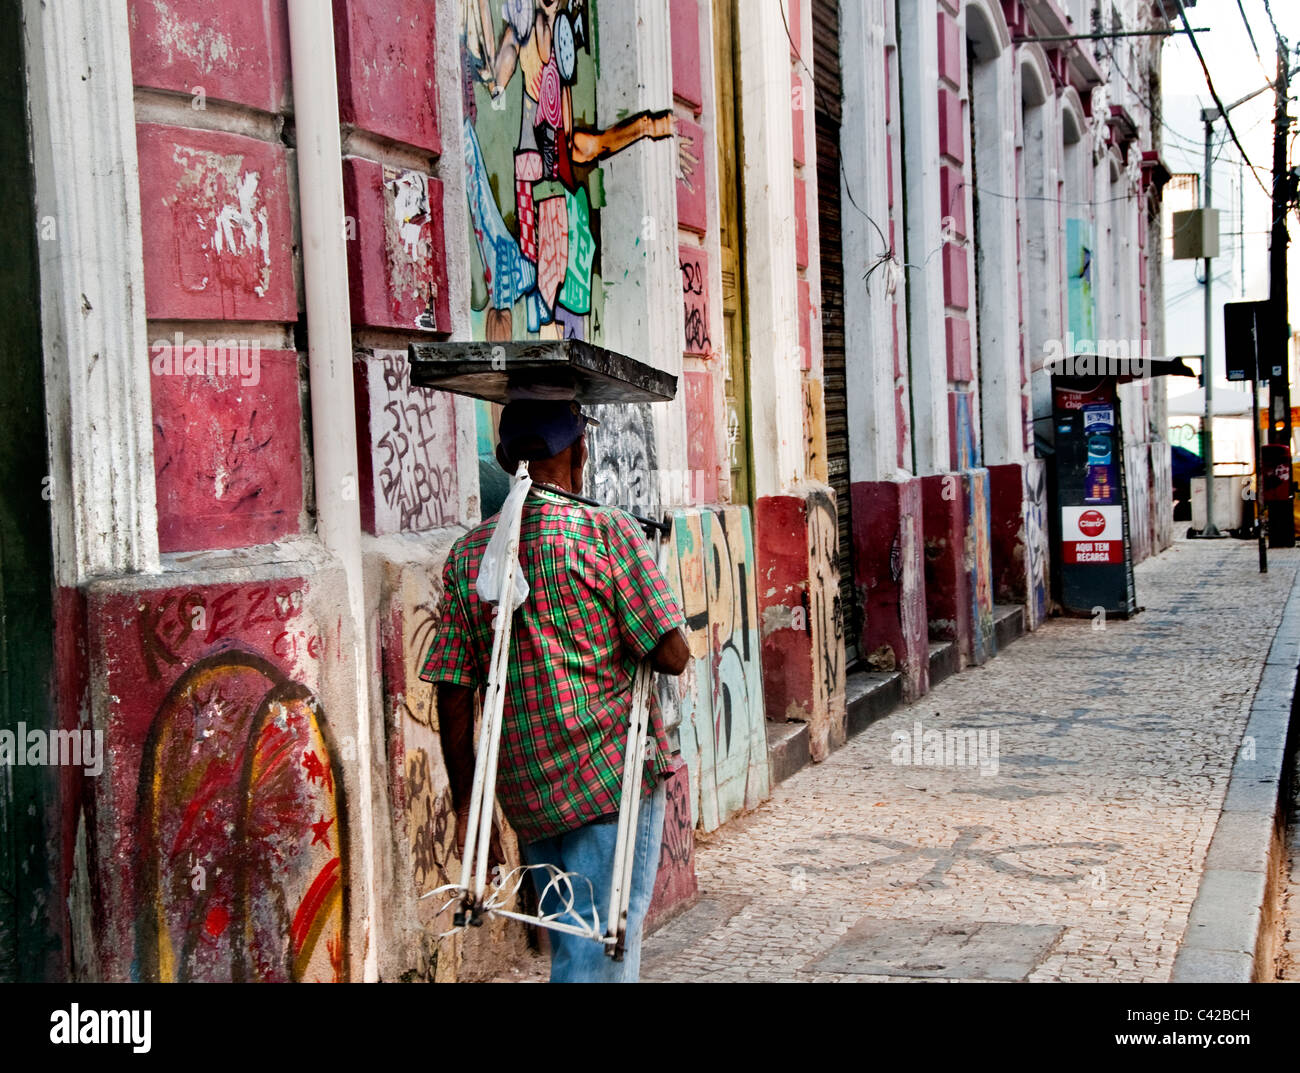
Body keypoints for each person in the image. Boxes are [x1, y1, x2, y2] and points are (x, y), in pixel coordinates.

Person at [419, 398, 689, 982]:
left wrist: (471, 807)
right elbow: (672, 655)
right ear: (579, 450)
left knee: (574, 934)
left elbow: (453, 688)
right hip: (606, 781)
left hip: (527, 791)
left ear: (504, 457)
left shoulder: (469, 556)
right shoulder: (605, 532)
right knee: (597, 946)